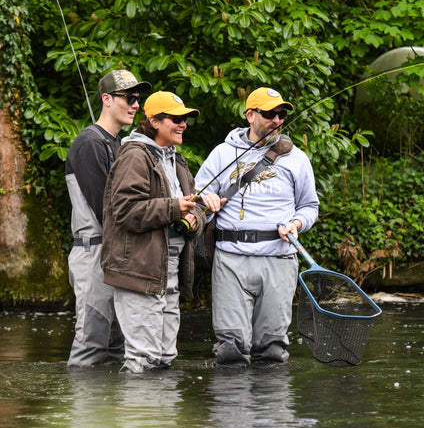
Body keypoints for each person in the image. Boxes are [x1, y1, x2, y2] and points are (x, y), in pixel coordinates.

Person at [194, 87, 319, 365]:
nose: (277, 120)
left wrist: (297, 223)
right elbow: (197, 194)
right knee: (230, 350)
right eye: (269, 114)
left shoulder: (296, 158)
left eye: (281, 114)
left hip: (279, 258)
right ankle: (231, 407)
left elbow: (310, 206)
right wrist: (207, 198)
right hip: (230, 259)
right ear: (250, 115)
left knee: (272, 350)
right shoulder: (222, 153)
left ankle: (270, 408)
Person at [101, 91, 223, 373]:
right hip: (140, 268)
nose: (183, 125)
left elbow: (192, 207)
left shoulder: (176, 159)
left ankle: (160, 417)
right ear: (154, 121)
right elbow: (125, 211)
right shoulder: (134, 156)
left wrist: (201, 211)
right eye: (176, 119)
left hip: (169, 267)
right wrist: (174, 208)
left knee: (164, 357)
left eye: (185, 119)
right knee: (143, 360)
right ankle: (140, 415)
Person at [66, 69, 152, 367]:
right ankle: (79, 409)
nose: (135, 105)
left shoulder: (117, 144)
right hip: (94, 252)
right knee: (91, 342)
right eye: (129, 98)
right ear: (106, 99)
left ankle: (109, 412)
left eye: (138, 99)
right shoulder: (89, 143)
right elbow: (108, 208)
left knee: (116, 346)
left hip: (114, 252)